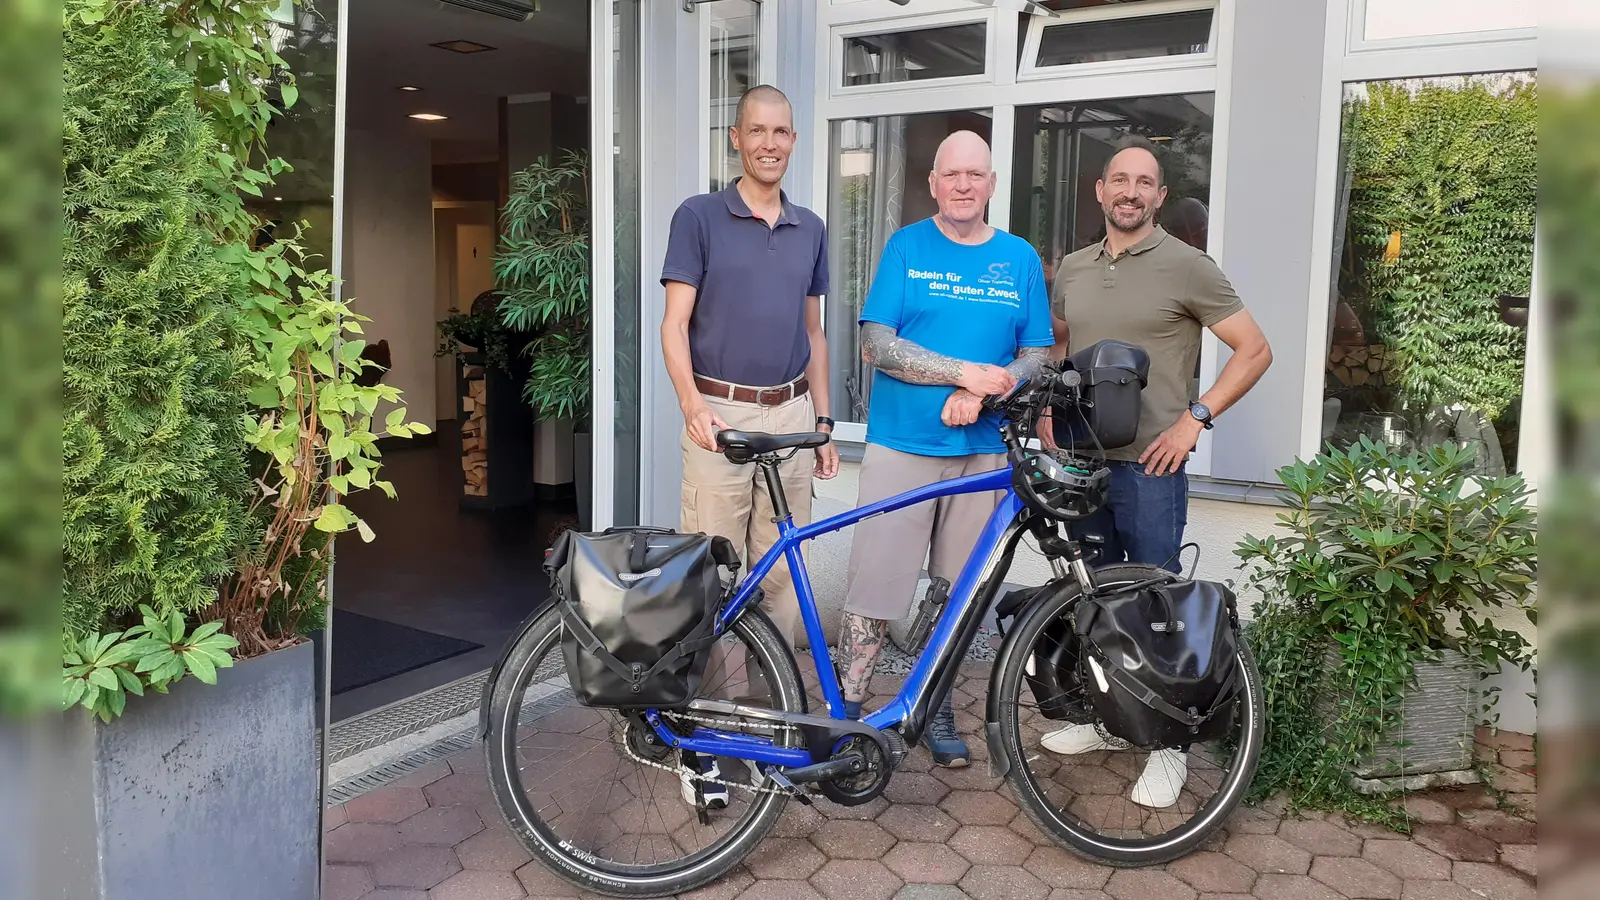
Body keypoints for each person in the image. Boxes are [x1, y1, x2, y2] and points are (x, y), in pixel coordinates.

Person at [1039, 136, 1272, 808]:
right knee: (1093, 601)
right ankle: (1109, 722)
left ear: (1160, 197)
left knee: (1156, 609)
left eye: (1144, 183)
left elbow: (1255, 350)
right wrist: (1050, 409)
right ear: (1100, 191)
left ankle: (1170, 748)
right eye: (1120, 180)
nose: (1130, 192)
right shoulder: (1075, 268)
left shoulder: (1189, 267)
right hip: (1082, 463)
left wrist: (1195, 418)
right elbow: (1060, 345)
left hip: (1150, 468)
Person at [833, 130, 1055, 768]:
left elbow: (1038, 354)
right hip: (902, 444)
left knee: (959, 593)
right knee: (874, 587)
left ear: (991, 185)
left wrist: (983, 393)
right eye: (951, 174)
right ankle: (848, 714)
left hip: (983, 451)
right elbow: (876, 344)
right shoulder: (907, 247)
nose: (963, 185)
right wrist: (961, 374)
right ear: (933, 184)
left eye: (974, 175)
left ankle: (933, 708)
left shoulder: (1019, 258)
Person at [660, 84, 840, 806]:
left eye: (782, 132)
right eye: (757, 131)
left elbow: (815, 332)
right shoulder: (699, 216)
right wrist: (692, 405)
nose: (770, 143)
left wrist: (823, 421)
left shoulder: (810, 227)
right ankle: (701, 742)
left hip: (789, 414)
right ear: (736, 138)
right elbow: (674, 325)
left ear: (793, 140)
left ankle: (772, 727)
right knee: (708, 580)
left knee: (781, 581)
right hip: (721, 417)